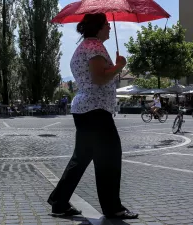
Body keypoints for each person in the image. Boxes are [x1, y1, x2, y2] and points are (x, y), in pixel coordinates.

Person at [47, 13, 138, 219]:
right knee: (110, 158)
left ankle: (59, 202)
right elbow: (98, 78)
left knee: (81, 159)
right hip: (95, 110)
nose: (110, 28)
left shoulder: (84, 47)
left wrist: (113, 68)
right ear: (98, 27)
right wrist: (119, 67)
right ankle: (113, 207)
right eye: (107, 24)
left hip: (85, 109)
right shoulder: (94, 47)